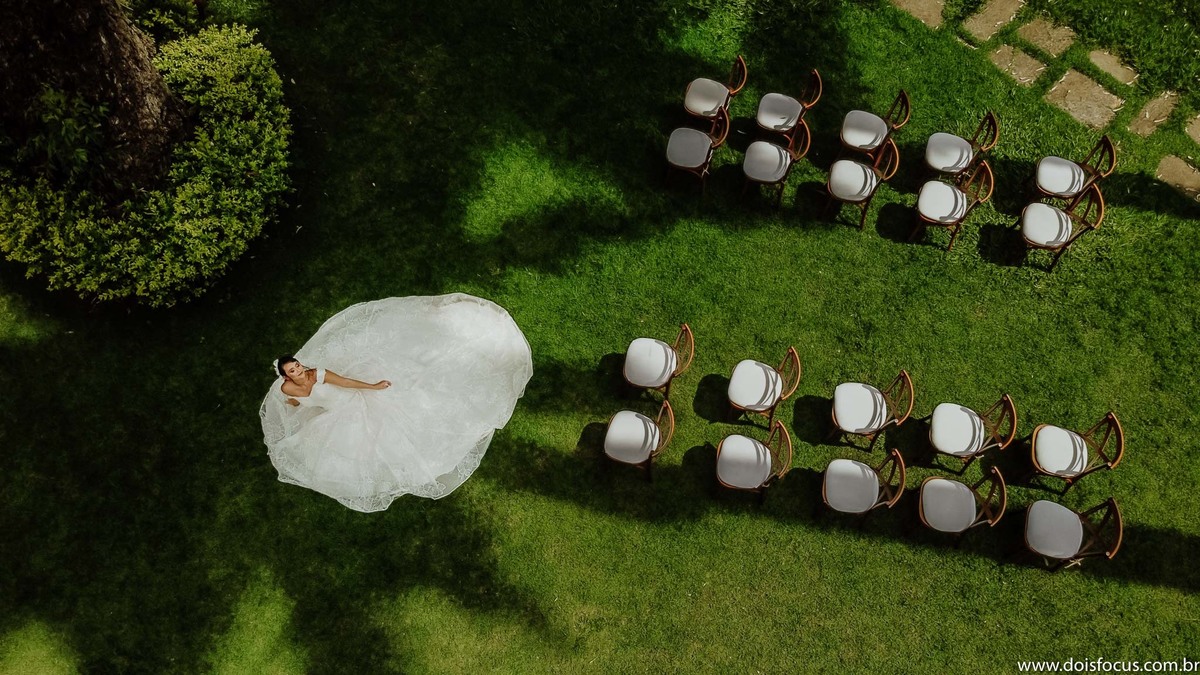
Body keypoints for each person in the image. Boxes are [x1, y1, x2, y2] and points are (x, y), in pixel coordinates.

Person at [260, 294, 533, 512]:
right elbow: (293, 400)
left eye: (297, 366)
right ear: (285, 375)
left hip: (354, 400)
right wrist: (295, 407)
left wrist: (373, 387)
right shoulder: (286, 388)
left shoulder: (318, 374)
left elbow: (346, 383)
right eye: (293, 370)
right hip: (333, 412)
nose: (297, 370)